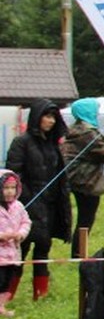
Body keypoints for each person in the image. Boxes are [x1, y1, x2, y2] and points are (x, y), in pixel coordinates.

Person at [5, 99, 70, 302]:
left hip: (49, 207)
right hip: (25, 207)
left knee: (43, 251)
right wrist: (24, 201)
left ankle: (40, 297)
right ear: (37, 117)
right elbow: (13, 177)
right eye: (47, 116)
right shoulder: (21, 143)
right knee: (18, 254)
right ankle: (6, 297)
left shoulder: (53, 146)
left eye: (53, 117)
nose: (50, 121)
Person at [59, 97, 104, 270]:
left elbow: (97, 144)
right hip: (86, 183)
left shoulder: (79, 130)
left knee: (84, 219)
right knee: (86, 220)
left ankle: (79, 254)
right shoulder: (86, 133)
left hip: (78, 181)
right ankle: (79, 256)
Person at [0, 169, 31, 316]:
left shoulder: (18, 206)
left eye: (12, 188)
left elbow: (26, 222)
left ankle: (1, 306)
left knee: (7, 282)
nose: (9, 192)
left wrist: (20, 234)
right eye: (6, 188)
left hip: (12, 253)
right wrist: (3, 236)